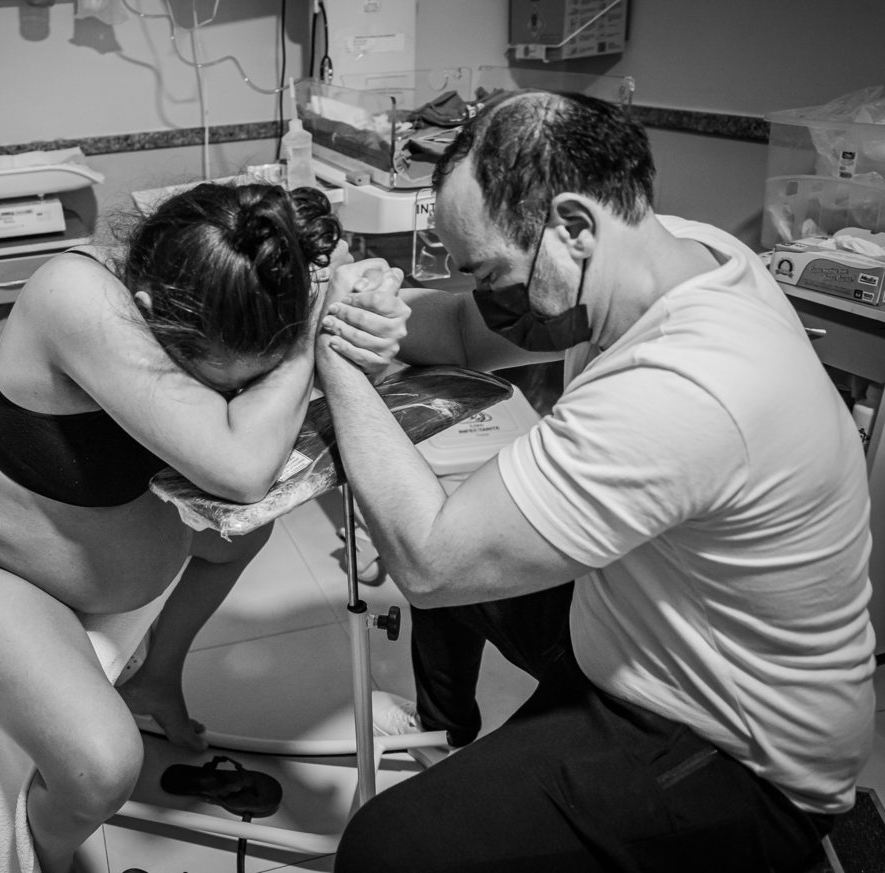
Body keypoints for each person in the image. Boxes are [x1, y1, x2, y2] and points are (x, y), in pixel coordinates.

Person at [316, 90, 875, 872]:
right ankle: (447, 732)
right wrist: (380, 312)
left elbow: (429, 559)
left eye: (491, 273)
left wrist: (338, 360)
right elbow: (467, 334)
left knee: (386, 849)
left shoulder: (682, 384)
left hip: (739, 751)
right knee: (462, 534)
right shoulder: (675, 251)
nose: (487, 295)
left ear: (573, 227)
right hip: (649, 621)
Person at [0, 182, 406, 873]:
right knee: (102, 769)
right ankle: (42, 862)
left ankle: (156, 676)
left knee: (244, 534)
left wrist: (357, 309)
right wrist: (310, 336)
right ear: (151, 314)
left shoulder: (224, 279)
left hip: (73, 559)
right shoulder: (73, 295)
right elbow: (241, 470)